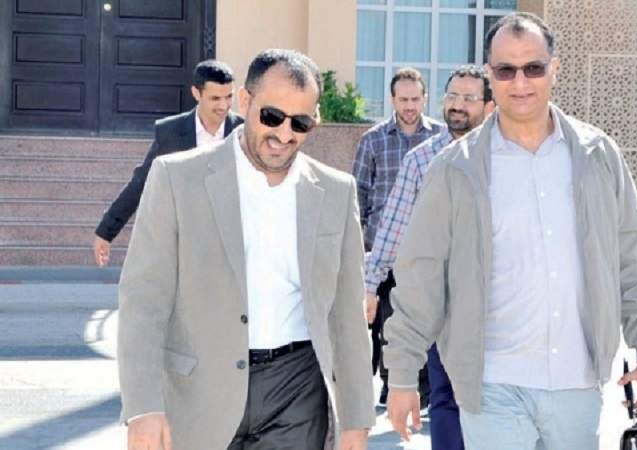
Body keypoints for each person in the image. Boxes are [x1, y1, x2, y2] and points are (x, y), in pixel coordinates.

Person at [384, 12, 637, 450]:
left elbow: (631, 260)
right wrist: (402, 374)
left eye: (533, 67)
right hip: (491, 385)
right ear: (490, 76)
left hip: (576, 382)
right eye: (505, 70)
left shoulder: (597, 155)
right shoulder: (455, 169)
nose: (520, 82)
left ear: (555, 69)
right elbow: (421, 275)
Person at [117, 49, 373, 450]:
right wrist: (143, 406)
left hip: (296, 389)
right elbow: (143, 300)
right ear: (244, 101)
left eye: (300, 123)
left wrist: (357, 418)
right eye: (272, 117)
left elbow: (347, 313)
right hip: (200, 390)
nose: (284, 134)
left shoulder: (336, 192)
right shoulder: (177, 178)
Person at [365, 65, 492, 450]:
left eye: (468, 98)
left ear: (488, 106)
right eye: (452, 96)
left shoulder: (504, 156)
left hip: (499, 306)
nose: (457, 105)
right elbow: (394, 225)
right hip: (444, 305)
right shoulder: (422, 160)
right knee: (446, 399)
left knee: (497, 401)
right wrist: (370, 284)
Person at [93, 59, 243, 267]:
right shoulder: (170, 132)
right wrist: (106, 231)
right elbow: (142, 182)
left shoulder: (244, 133)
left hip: (230, 246)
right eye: (215, 98)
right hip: (184, 244)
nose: (224, 105)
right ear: (196, 93)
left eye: (229, 97)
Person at [352, 67, 444, 405]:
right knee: (387, 322)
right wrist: (361, 245)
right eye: (403, 99)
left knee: (425, 321)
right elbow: (358, 193)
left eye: (415, 99)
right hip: (383, 248)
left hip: (426, 250)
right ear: (392, 100)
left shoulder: (442, 139)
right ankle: (392, 385)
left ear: (425, 98)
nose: (409, 106)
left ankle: (423, 388)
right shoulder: (373, 140)